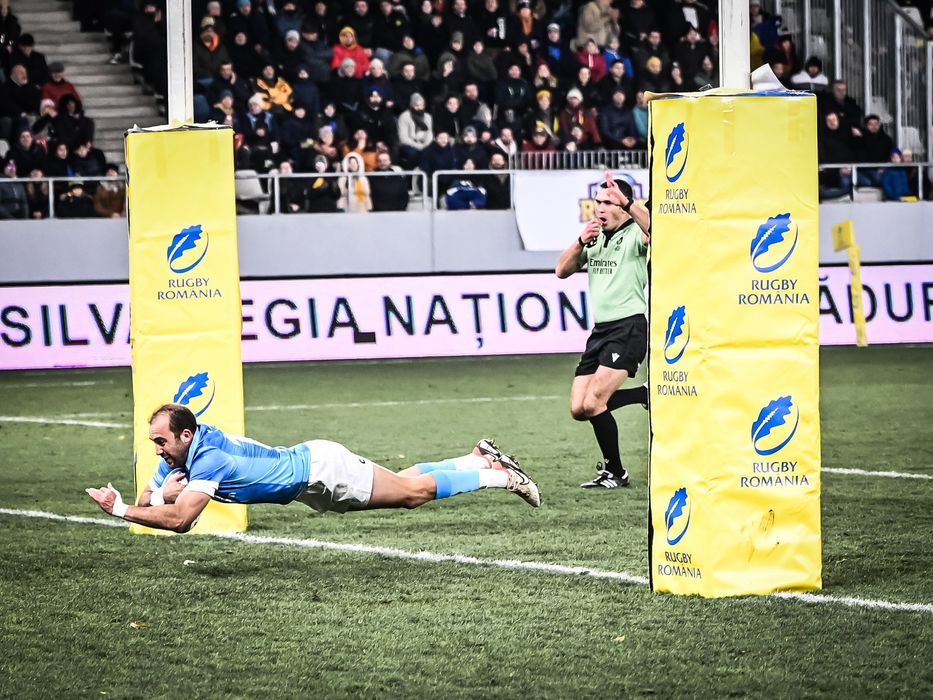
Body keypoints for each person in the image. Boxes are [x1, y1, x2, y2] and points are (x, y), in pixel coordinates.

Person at [86, 403, 540, 532]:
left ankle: (501, 477)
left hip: (322, 470)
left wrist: (120, 509)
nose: (158, 451)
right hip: (311, 482)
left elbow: (181, 520)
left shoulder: (208, 456)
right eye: (154, 444)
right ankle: (478, 458)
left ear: (185, 435)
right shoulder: (181, 452)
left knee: (412, 494)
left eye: (161, 442)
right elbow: (154, 499)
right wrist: (154, 494)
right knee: (405, 484)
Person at [554, 173, 650, 489]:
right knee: (578, 408)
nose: (601, 208)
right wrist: (581, 241)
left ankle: (616, 473)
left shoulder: (636, 233)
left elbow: (655, 229)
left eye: (608, 202)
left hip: (629, 327)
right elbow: (561, 271)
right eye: (598, 202)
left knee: (595, 401)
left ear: (623, 206)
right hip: (601, 331)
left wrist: (629, 202)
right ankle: (641, 394)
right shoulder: (593, 237)